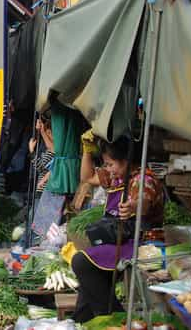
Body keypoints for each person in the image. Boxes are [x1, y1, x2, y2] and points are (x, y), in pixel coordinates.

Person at [70, 132, 164, 323]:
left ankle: (114, 318)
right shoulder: (117, 177)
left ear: (126, 160)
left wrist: (133, 206)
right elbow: (87, 177)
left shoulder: (143, 179)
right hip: (118, 239)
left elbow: (143, 200)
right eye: (106, 164)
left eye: (110, 164)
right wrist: (87, 151)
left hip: (140, 244)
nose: (108, 169)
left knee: (81, 261)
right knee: (89, 277)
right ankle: (81, 321)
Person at [28, 113, 54, 192]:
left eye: (49, 133)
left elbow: (40, 167)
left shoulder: (53, 152)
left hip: (44, 190)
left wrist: (32, 151)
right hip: (43, 189)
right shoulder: (53, 151)